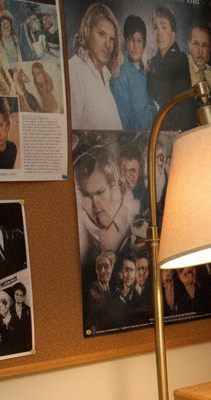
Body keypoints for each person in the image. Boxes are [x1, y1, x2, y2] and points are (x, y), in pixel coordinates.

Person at [75, 136, 139, 268]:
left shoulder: (136, 213)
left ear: (113, 178)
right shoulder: (84, 239)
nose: (95, 204)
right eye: (86, 195)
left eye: (100, 192)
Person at [69, 2, 122, 130]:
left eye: (112, 39)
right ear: (87, 32)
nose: (107, 45)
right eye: (101, 34)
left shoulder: (105, 74)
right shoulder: (74, 70)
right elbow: (72, 136)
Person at [146, 5, 191, 131]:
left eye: (164, 27)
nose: (159, 32)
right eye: (156, 27)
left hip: (176, 129)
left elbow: (181, 106)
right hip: (158, 126)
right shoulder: (153, 62)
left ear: (173, 34)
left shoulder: (180, 59)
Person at [110, 14, 157, 131]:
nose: (135, 46)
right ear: (126, 41)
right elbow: (124, 126)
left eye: (139, 41)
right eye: (131, 40)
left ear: (144, 43)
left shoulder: (147, 72)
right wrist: (155, 108)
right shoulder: (120, 77)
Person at [186, 20, 211, 122]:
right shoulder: (182, 69)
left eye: (205, 45)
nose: (200, 51)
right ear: (189, 44)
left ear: (210, 47)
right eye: (196, 44)